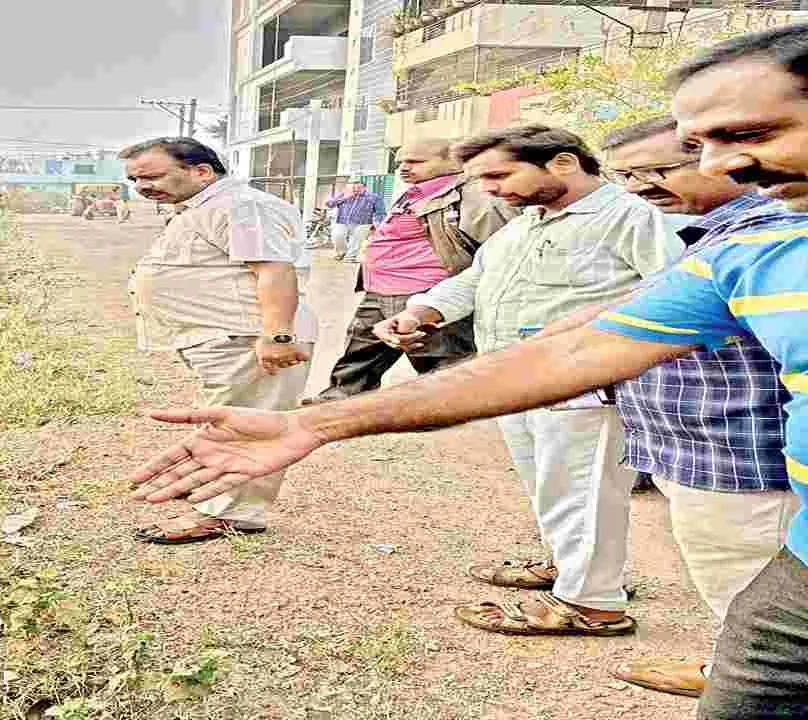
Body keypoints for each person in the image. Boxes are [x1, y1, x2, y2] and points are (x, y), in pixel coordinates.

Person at [128, 26, 808, 718]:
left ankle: (594, 599)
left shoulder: (690, 227)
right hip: (734, 505)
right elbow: (574, 343)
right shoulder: (751, 247)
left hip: (725, 446)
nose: (722, 165)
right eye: (701, 144)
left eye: (747, 134)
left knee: (625, 516)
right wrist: (319, 416)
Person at [377, 125, 681, 637]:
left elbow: (673, 288)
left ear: (562, 163)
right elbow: (475, 279)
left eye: (499, 175)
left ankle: (593, 603)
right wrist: (421, 312)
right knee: (550, 485)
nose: (490, 189)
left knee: (584, 491)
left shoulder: (631, 216)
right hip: (517, 379)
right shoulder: (527, 222)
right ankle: (569, 568)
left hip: (585, 383)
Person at [572, 116, 794, 698]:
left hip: (742, 462)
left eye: (658, 169)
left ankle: (748, 680)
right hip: (708, 454)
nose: (639, 186)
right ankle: (730, 667)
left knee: (756, 602)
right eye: (626, 175)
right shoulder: (714, 232)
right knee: (737, 595)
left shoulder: (764, 234)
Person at [122, 136, 316, 545]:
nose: (142, 186)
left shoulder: (241, 206)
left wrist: (277, 336)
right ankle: (223, 498)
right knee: (228, 421)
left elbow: (274, 271)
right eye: (134, 180)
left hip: (250, 339)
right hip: (225, 339)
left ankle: (233, 514)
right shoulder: (204, 208)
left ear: (202, 171)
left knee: (247, 426)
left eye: (152, 176)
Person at [304, 138, 516, 405]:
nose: (404, 168)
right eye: (401, 162)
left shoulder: (474, 195)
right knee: (361, 353)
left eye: (416, 161)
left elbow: (498, 250)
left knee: (441, 361)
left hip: (427, 289)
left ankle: (456, 411)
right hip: (380, 287)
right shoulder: (416, 192)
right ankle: (337, 403)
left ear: (453, 162)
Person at [325, 178, 383, 262]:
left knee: (357, 239)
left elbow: (380, 212)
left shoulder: (374, 197)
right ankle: (342, 252)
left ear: (364, 187)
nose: (354, 189)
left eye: (357, 186)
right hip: (342, 221)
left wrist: (377, 224)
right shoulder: (343, 195)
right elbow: (329, 204)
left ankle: (351, 256)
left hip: (364, 222)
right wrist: (345, 198)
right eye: (352, 186)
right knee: (337, 235)